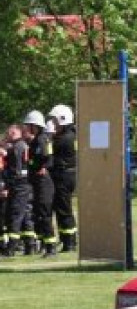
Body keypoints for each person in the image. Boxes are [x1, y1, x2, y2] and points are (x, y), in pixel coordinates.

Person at [24, 110, 57, 257]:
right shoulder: (37, 140)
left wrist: (43, 167)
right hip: (37, 182)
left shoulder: (43, 139)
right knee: (39, 214)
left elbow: (47, 157)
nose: (27, 128)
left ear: (34, 125)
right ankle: (45, 244)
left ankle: (51, 246)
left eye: (29, 125)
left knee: (45, 214)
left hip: (43, 182)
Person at [47, 104, 77, 252]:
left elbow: (51, 154)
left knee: (64, 209)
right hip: (67, 175)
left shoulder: (64, 139)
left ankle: (69, 242)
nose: (53, 124)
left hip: (63, 176)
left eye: (55, 121)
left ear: (63, 120)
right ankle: (68, 240)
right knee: (63, 208)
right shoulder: (71, 134)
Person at [2, 124, 33, 256]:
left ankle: (11, 248)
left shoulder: (18, 147)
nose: (9, 134)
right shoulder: (20, 146)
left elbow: (17, 171)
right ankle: (30, 245)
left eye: (12, 132)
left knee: (15, 214)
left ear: (19, 132)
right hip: (24, 184)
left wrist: (8, 185)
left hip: (19, 184)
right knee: (25, 214)